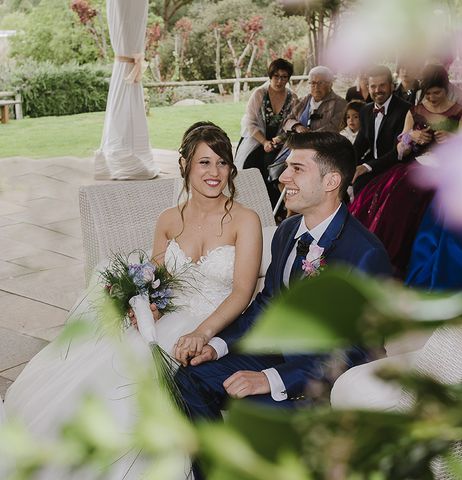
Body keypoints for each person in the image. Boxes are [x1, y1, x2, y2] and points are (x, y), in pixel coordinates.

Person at [2, 122, 263, 479]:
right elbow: (157, 280)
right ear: (184, 164)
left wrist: (202, 333)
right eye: (204, 162)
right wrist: (147, 304)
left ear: (232, 169)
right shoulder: (169, 220)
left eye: (222, 162)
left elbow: (241, 292)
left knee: (145, 373)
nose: (214, 172)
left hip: (214, 322)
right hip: (169, 319)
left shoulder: (245, 220)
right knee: (108, 365)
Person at [175, 133, 392, 478]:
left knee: (254, 410)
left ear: (331, 181)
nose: (282, 177)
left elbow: (356, 353)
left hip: (322, 375)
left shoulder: (365, 254)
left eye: (296, 168)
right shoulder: (287, 230)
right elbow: (267, 305)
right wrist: (216, 346)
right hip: (277, 350)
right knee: (190, 377)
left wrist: (269, 379)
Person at [349, 64, 462, 278]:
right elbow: (402, 146)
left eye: (437, 93)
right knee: (396, 196)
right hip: (416, 166)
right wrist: (411, 137)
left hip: (448, 169)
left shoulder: (461, 112)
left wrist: (454, 140)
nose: (432, 98)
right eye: (428, 93)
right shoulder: (414, 111)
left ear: (446, 89)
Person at [234, 58, 297, 207]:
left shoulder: (292, 98)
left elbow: (293, 122)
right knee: (251, 164)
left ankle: (272, 207)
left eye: (284, 77)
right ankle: (250, 204)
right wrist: (264, 142)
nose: (280, 81)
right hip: (256, 138)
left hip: (279, 141)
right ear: (270, 76)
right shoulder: (259, 94)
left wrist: (279, 139)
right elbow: (250, 121)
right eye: (276, 76)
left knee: (274, 167)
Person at [351, 65, 412, 194]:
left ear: (392, 86)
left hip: (396, 167)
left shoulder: (406, 111)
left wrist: (366, 167)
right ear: (368, 87)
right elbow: (359, 146)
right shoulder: (366, 110)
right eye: (373, 86)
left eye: (382, 85)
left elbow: (397, 151)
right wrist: (345, 166)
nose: (377, 90)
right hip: (373, 164)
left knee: (361, 187)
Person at [282, 66, 347, 134]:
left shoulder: (340, 104)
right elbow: (287, 120)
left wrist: (309, 135)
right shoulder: (301, 101)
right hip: (298, 142)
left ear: (330, 84)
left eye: (321, 83)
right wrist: (297, 126)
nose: (316, 87)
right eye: (313, 83)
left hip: (325, 143)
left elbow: (334, 128)